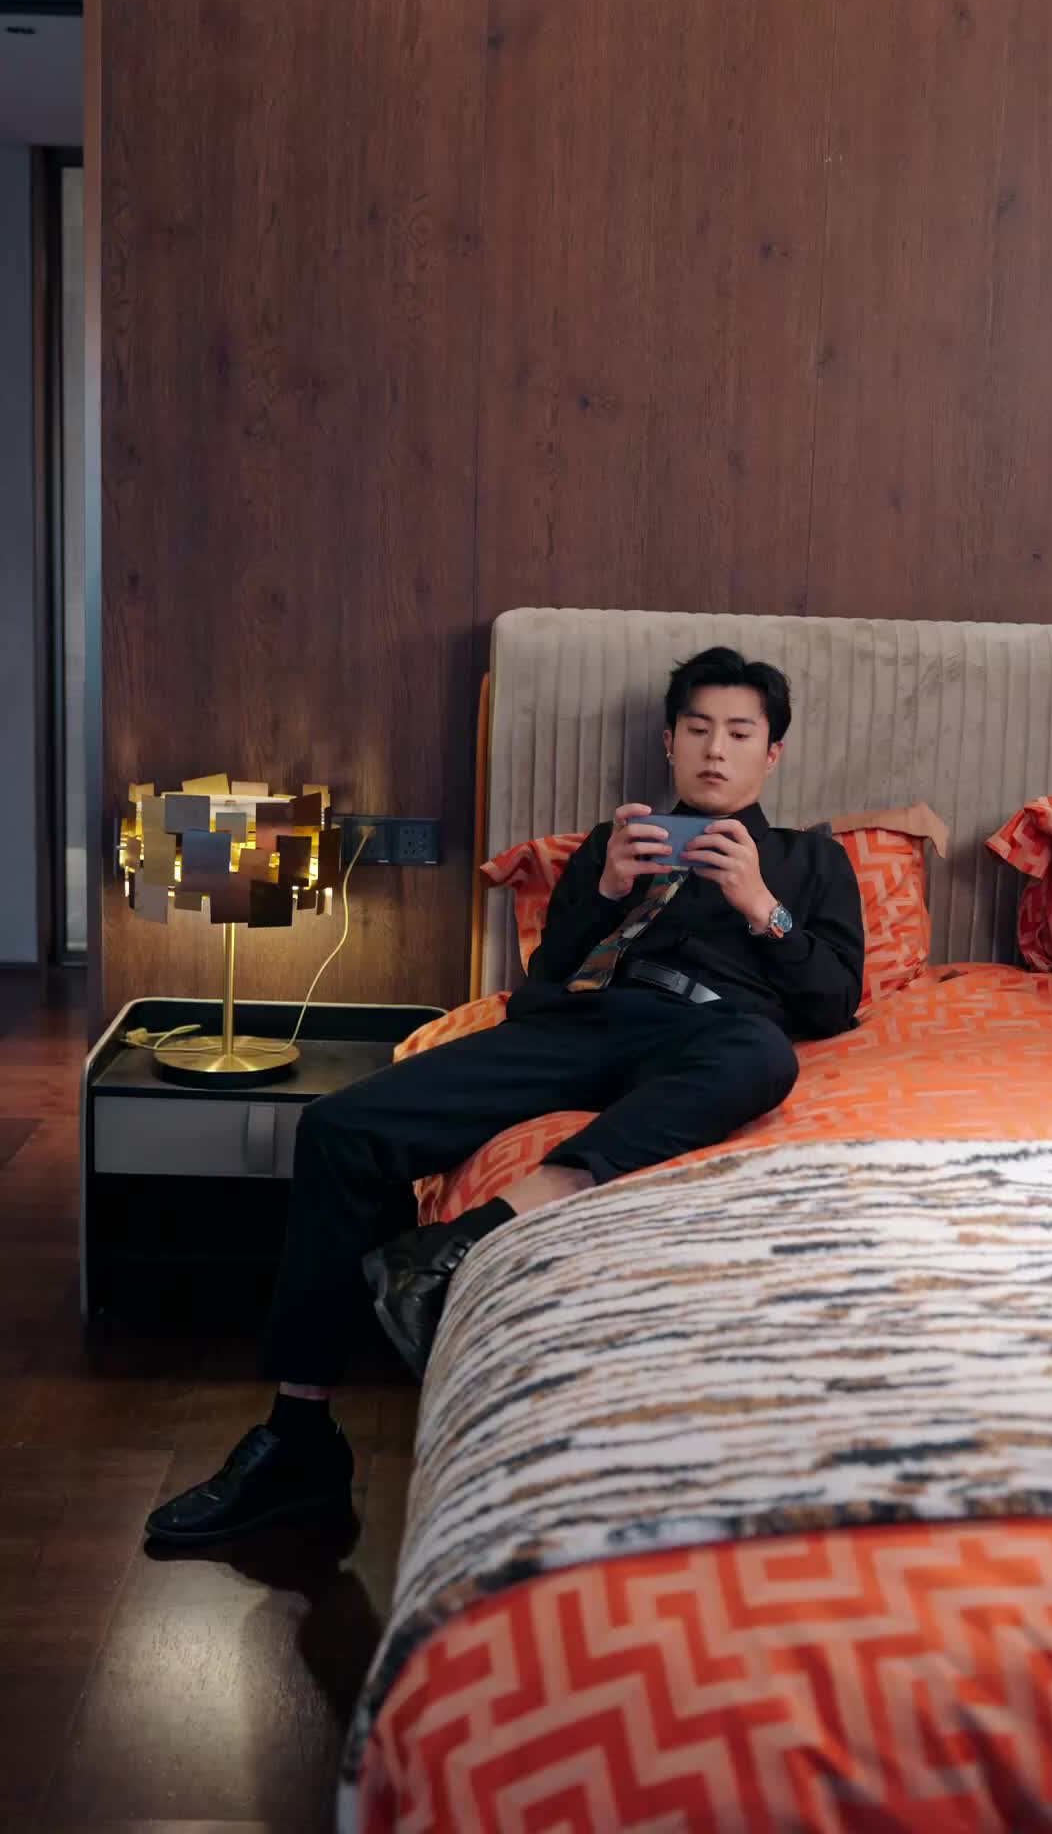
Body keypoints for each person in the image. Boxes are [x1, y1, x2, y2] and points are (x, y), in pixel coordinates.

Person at [146, 647, 864, 1544]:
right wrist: (607, 887)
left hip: (713, 1033)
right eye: (698, 729)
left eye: (740, 734)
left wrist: (762, 905)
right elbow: (543, 980)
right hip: (581, 1023)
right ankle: (298, 1437)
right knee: (336, 1126)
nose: (716, 750)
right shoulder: (615, 846)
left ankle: (463, 1243)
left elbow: (834, 1004)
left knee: (764, 1058)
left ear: (772, 753)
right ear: (670, 743)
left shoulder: (810, 860)